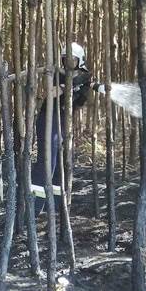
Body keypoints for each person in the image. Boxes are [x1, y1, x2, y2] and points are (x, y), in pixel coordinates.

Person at [31, 42, 98, 215]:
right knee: (47, 162)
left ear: (79, 60)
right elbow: (51, 93)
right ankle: (34, 205)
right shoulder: (56, 74)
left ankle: (54, 205)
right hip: (48, 119)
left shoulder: (84, 78)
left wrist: (81, 88)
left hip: (63, 123)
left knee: (60, 164)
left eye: (72, 59)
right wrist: (63, 87)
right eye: (65, 58)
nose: (68, 62)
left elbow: (83, 100)